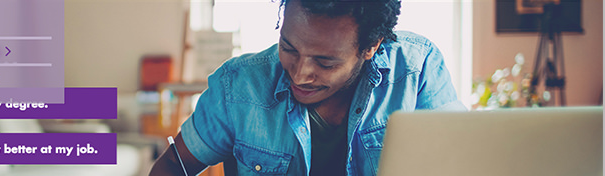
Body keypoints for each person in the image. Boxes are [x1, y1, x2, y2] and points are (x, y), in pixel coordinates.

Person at [149, 0, 464, 175]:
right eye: (288, 48)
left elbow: (461, 161)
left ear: (371, 46)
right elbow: (174, 165)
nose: (300, 75)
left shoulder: (416, 69)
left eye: (325, 63)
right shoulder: (237, 86)